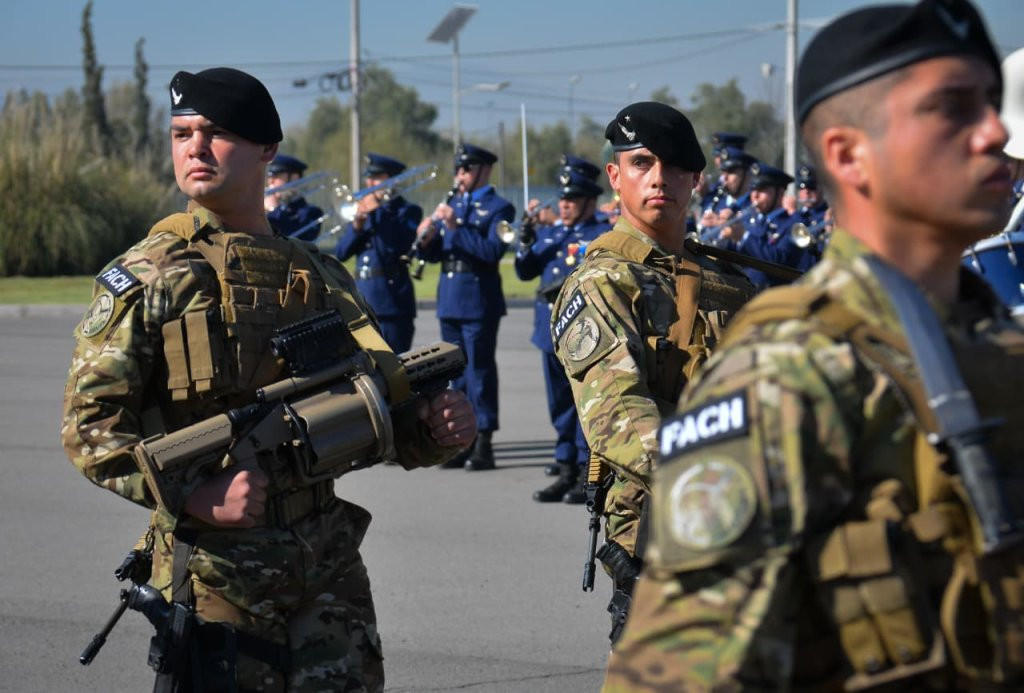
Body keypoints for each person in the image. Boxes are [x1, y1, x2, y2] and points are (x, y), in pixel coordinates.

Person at [604, 1, 1024, 690]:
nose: (994, 133)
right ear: (848, 154)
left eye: (990, 104)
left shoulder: (1002, 345)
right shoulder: (787, 375)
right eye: (952, 109)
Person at [61, 67, 476, 692]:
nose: (195, 148)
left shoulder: (319, 274)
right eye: (182, 133)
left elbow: (367, 410)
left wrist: (432, 429)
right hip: (218, 572)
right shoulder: (148, 277)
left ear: (267, 149)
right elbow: (89, 428)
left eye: (217, 132)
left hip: (327, 565)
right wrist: (194, 497)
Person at [551, 102, 755, 644]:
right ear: (616, 178)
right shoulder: (603, 282)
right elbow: (619, 419)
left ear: (696, 179)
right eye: (641, 163)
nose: (658, 178)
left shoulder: (723, 279)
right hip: (666, 523)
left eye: (673, 167)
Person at [515, 159, 611, 504]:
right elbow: (525, 271)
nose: (565, 205)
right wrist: (524, 242)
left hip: (584, 334)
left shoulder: (600, 233)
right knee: (559, 405)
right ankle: (565, 467)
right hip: (549, 332)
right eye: (563, 199)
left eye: (573, 199)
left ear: (589, 200)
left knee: (583, 404)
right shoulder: (553, 232)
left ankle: (588, 471)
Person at [417, 143, 515, 470]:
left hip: (478, 298)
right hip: (450, 296)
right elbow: (439, 254)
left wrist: (456, 228)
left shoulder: (499, 208)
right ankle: (461, 438)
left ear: (483, 171)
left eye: (466, 169)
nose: (460, 175)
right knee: (454, 372)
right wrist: (427, 240)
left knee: (479, 371)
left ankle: (484, 440)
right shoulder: (453, 203)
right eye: (458, 169)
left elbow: (491, 253)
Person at [335, 153, 423, 353]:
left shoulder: (407, 211)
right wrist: (357, 227)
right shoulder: (365, 213)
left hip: (392, 302)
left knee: (395, 365)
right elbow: (341, 253)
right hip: (363, 299)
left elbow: (391, 250)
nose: (370, 183)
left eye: (376, 177)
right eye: (369, 177)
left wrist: (378, 212)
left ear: (392, 180)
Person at [718, 162, 814, 289]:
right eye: (753, 189)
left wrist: (743, 236)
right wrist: (723, 235)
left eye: (762, 189)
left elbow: (778, 260)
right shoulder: (750, 221)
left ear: (780, 192)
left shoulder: (793, 225)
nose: (755, 196)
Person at [264, 153, 325, 241]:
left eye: (276, 176)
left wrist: (274, 209)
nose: (270, 181)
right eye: (269, 177)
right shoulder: (261, 208)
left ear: (294, 178)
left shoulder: (311, 213)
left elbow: (294, 239)